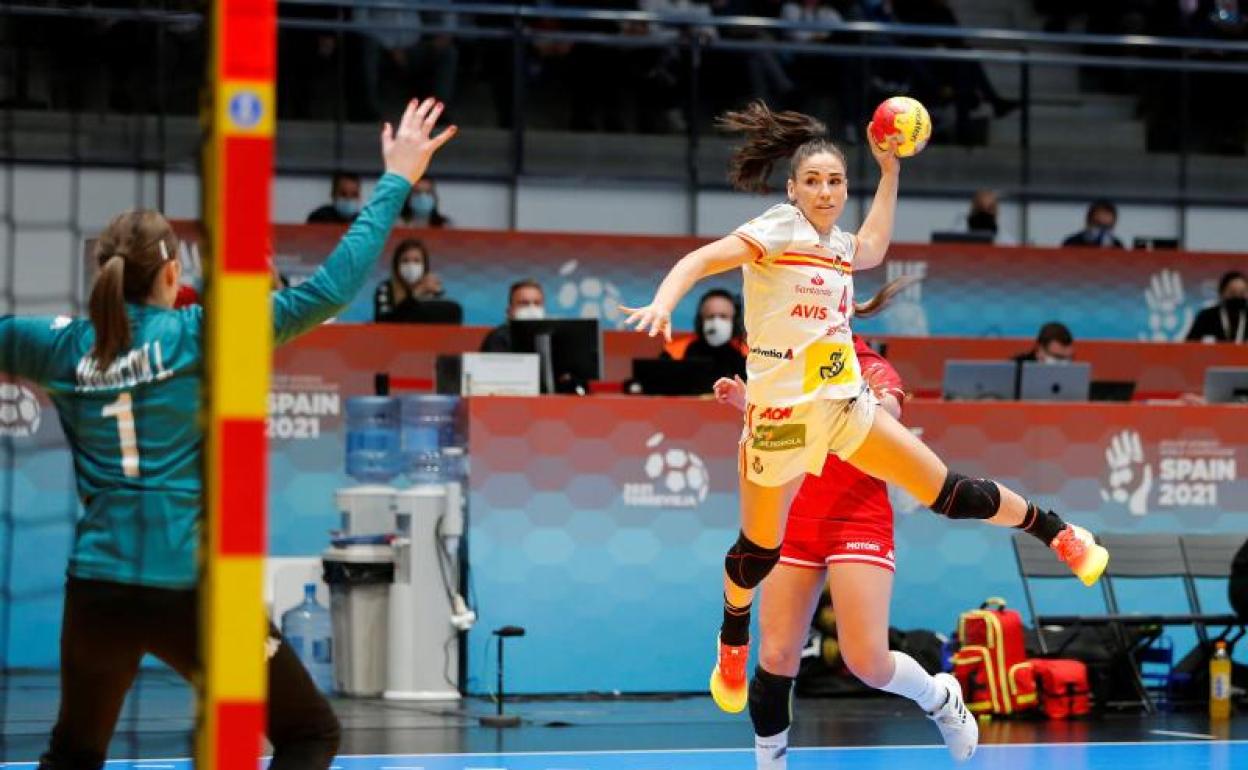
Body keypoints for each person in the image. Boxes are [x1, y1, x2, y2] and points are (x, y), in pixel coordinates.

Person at [621, 101, 1110, 728]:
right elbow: (700, 260)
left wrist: (890, 170)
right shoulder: (778, 229)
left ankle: (1062, 534)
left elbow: (874, 246)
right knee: (757, 551)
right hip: (779, 421)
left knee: (951, 492)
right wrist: (665, 302)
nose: (825, 192)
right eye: (813, 181)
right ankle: (732, 639)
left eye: (835, 181)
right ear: (793, 189)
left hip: (844, 407)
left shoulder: (839, 245)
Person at [14, 97, 456, 770]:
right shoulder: (204, 332)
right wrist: (397, 177)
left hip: (95, 591)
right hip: (188, 590)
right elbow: (332, 290)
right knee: (309, 734)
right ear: (173, 274)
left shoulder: (55, 344)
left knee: (73, 755)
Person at [715, 288, 975, 767]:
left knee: (867, 661)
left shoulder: (870, 366)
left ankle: (940, 698)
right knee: (775, 657)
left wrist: (842, 395)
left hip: (857, 517)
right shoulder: (782, 361)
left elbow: (887, 414)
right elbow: (783, 429)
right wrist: (750, 402)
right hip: (796, 517)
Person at [660, 289, 749, 384]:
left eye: (723, 316)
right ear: (700, 322)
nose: (716, 323)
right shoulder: (675, 351)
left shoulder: (748, 354)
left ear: (735, 323)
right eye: (710, 317)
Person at [374, 238, 446, 321]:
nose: (411, 266)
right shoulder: (385, 289)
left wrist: (437, 295)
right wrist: (416, 294)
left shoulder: (431, 290)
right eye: (405, 261)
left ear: (425, 265)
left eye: (416, 261)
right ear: (396, 265)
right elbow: (383, 321)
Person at [480, 279, 545, 352]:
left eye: (537, 303)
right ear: (509, 311)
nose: (532, 309)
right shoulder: (498, 338)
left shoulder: (549, 337)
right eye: (524, 303)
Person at [1186, 270, 1247, 344]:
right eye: (1232, 292)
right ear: (1222, 292)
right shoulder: (1207, 316)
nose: (1237, 296)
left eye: (1242, 293)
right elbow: (1190, 344)